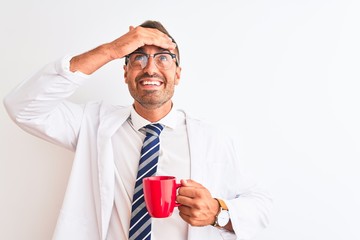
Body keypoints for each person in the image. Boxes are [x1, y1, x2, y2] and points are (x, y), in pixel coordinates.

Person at [3, 20, 273, 240]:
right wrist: (110, 49)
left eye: (163, 58)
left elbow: (262, 205)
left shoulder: (214, 138)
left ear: (178, 74)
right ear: (125, 72)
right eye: (138, 58)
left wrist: (218, 212)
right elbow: (22, 106)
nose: (150, 69)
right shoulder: (92, 124)